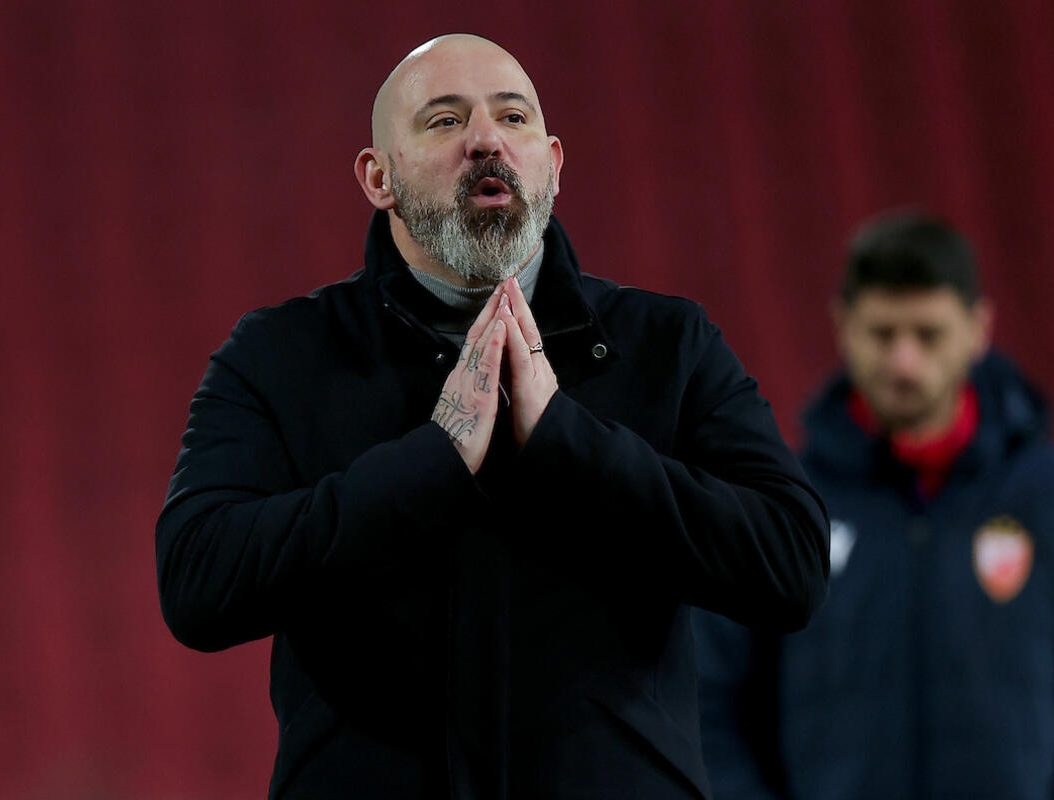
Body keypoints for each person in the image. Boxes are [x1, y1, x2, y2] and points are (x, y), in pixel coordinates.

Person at [156, 33, 829, 800]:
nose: (485, 140)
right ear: (379, 177)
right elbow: (198, 583)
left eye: (512, 117)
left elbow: (792, 564)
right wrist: (432, 461)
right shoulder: (282, 353)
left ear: (553, 164)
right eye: (444, 121)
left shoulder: (668, 343)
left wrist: (567, 441)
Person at [694, 212, 1054, 800]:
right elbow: (709, 702)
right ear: (843, 326)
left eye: (928, 335)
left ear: (978, 329)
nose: (903, 361)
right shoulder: (782, 503)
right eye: (882, 333)